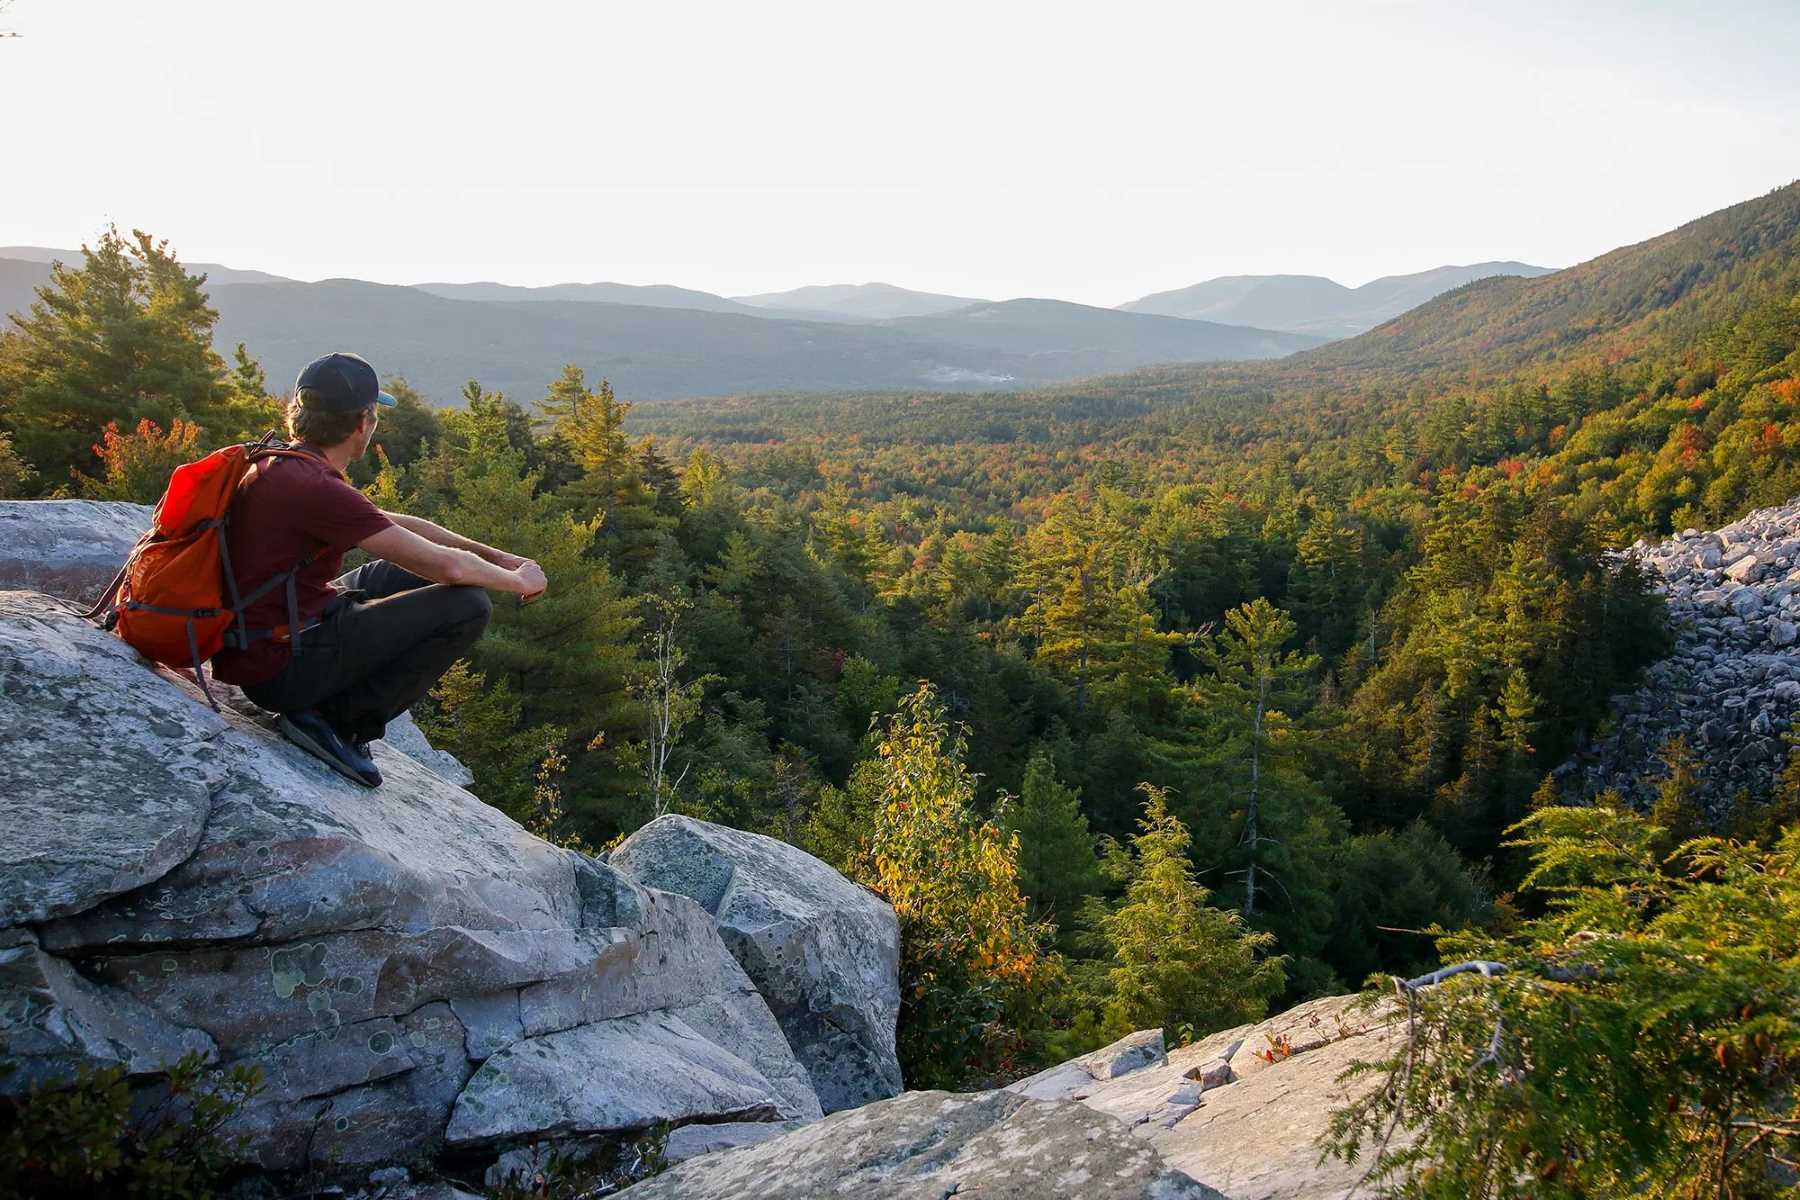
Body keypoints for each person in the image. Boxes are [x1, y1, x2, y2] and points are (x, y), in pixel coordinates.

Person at [210, 352, 547, 787]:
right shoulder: (316, 487)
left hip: (266, 634)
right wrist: (517, 580)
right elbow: (446, 567)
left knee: (387, 574)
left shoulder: (282, 463)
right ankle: (335, 721)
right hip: (278, 669)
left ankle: (329, 710)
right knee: (467, 605)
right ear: (363, 424)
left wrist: (496, 557)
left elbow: (395, 525)